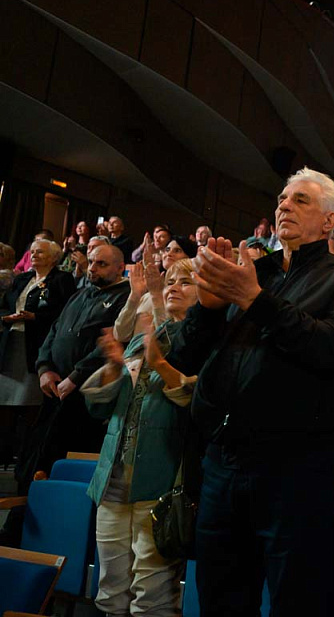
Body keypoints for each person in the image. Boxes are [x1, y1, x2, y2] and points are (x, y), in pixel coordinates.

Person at [166, 166, 334, 616]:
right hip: (222, 464)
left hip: (296, 469)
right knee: (219, 599)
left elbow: (333, 349)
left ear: (330, 220)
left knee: (295, 599)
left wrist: (254, 300)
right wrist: (207, 307)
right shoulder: (248, 273)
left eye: (300, 200)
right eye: (281, 199)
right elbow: (183, 357)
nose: (284, 206)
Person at [81, 258, 200, 616]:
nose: (173, 286)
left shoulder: (199, 343)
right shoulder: (137, 342)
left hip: (161, 482)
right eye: (170, 281)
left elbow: (195, 401)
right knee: (110, 588)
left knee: (152, 595)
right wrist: (113, 367)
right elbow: (99, 409)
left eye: (186, 281)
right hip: (114, 478)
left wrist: (160, 361)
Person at [0, 244, 129, 547]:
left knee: (65, 470)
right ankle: (20, 532)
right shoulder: (81, 293)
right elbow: (54, 332)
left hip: (86, 399)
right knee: (34, 464)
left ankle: (58, 541)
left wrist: (75, 377)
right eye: (91, 262)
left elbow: (111, 345)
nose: (93, 268)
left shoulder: (125, 298)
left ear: (119, 267)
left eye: (101, 264)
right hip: (53, 390)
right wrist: (44, 367)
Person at [1, 239, 76, 407]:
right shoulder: (22, 279)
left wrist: (36, 317)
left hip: (38, 343)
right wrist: (6, 318)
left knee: (28, 398)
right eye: (32, 252)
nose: (34, 255)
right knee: (4, 396)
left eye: (40, 252)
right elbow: (5, 305)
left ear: (53, 257)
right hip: (12, 340)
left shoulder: (62, 279)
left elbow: (66, 311)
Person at [114, 235, 196, 344]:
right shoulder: (148, 293)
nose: (169, 254)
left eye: (177, 251)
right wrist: (135, 295)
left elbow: (167, 343)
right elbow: (120, 335)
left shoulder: (184, 296)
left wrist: (156, 295)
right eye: (167, 250)